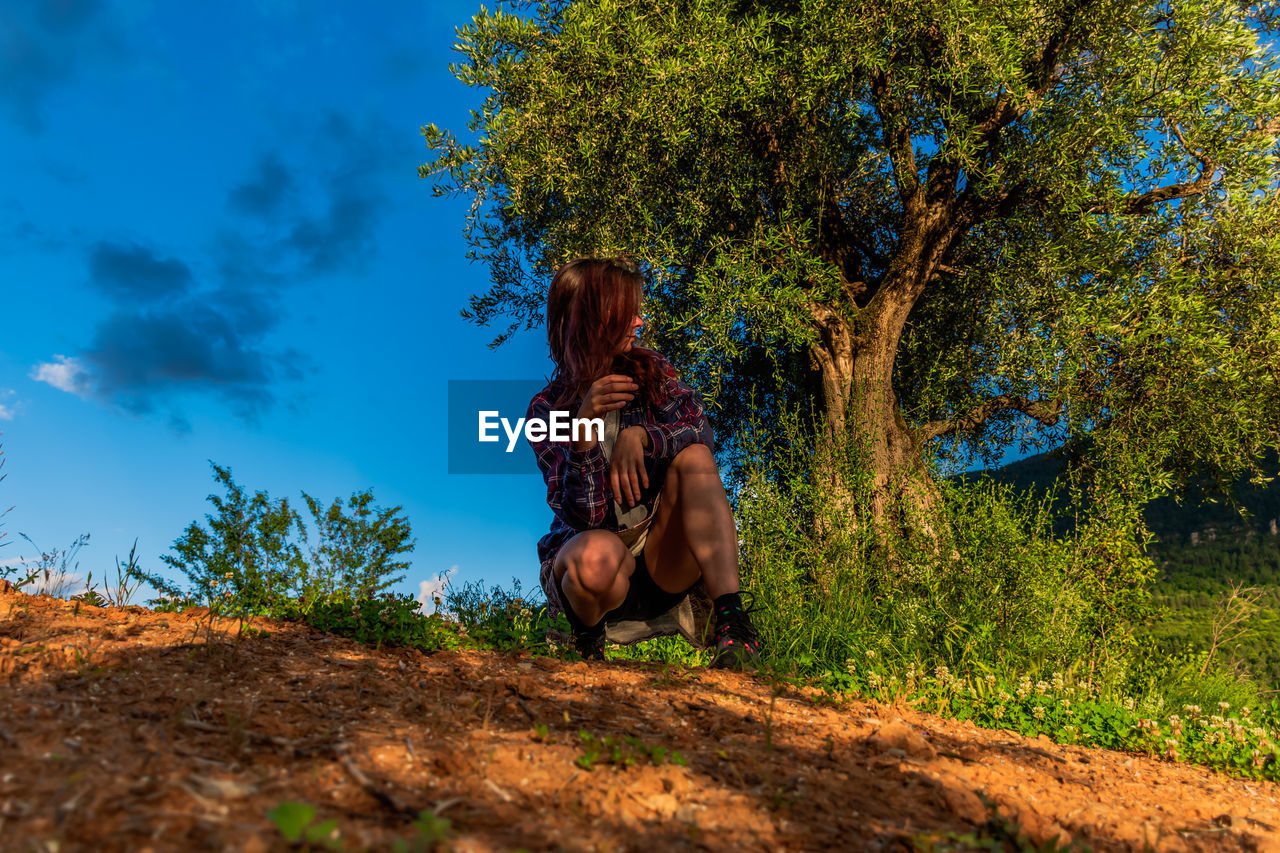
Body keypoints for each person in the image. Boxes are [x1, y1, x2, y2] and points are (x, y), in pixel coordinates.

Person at [525, 256, 761, 670]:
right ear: (596, 320)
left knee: (696, 457)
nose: (639, 320)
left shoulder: (652, 371)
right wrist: (583, 435)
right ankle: (586, 637)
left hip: (662, 562)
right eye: (627, 311)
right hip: (597, 574)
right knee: (595, 557)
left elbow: (698, 428)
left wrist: (643, 438)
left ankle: (733, 624)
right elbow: (586, 521)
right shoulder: (547, 410)